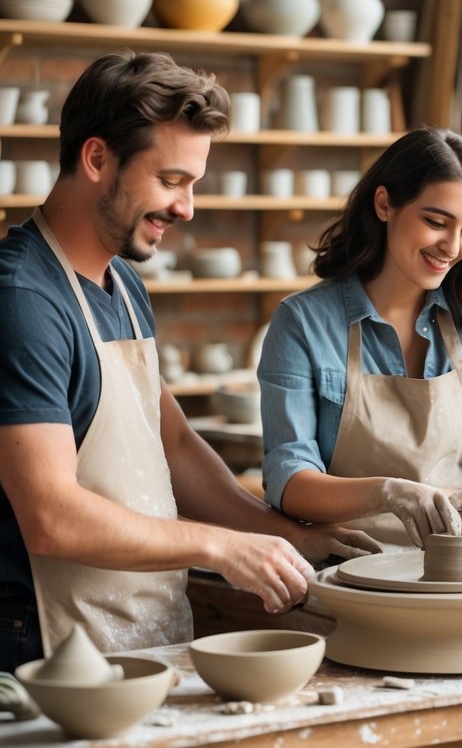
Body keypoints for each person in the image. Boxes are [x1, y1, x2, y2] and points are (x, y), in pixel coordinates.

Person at [0, 51, 376, 672]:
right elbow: (49, 515)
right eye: (171, 180)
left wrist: (291, 536)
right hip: (42, 647)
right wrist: (219, 546)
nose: (187, 207)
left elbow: (172, 442)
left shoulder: (122, 282)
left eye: (193, 184)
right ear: (97, 159)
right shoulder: (23, 298)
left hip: (135, 627)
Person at [257, 128, 462, 553]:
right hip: (345, 571)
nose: (452, 246)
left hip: (458, 570)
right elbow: (288, 477)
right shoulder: (302, 323)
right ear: (385, 204)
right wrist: (390, 492)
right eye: (436, 222)